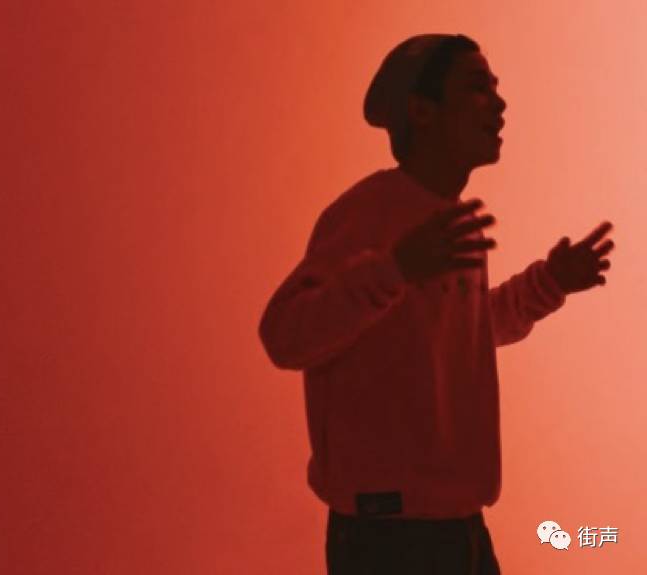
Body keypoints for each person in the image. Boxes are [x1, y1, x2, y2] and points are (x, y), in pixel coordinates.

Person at [257, 33, 615, 575]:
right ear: (422, 112)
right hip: (387, 539)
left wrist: (549, 283)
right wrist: (395, 269)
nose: (499, 103)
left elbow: (467, 332)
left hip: (459, 530)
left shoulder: (449, 221)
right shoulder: (367, 213)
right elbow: (285, 336)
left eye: (495, 88)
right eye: (477, 87)